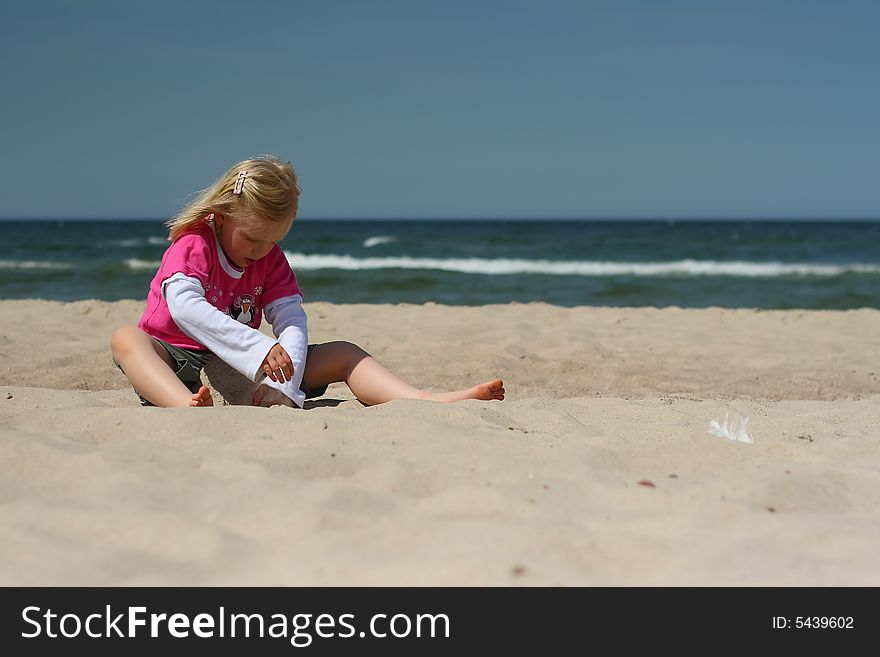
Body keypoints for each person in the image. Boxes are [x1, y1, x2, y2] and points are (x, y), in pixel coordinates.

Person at [110, 155, 505, 408]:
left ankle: (423, 400)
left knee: (344, 352)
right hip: (175, 355)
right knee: (127, 339)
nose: (261, 252)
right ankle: (184, 405)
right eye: (252, 238)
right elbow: (184, 309)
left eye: (272, 241)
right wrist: (259, 347)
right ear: (223, 213)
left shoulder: (270, 259)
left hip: (235, 361)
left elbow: (291, 319)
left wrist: (290, 380)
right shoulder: (195, 243)